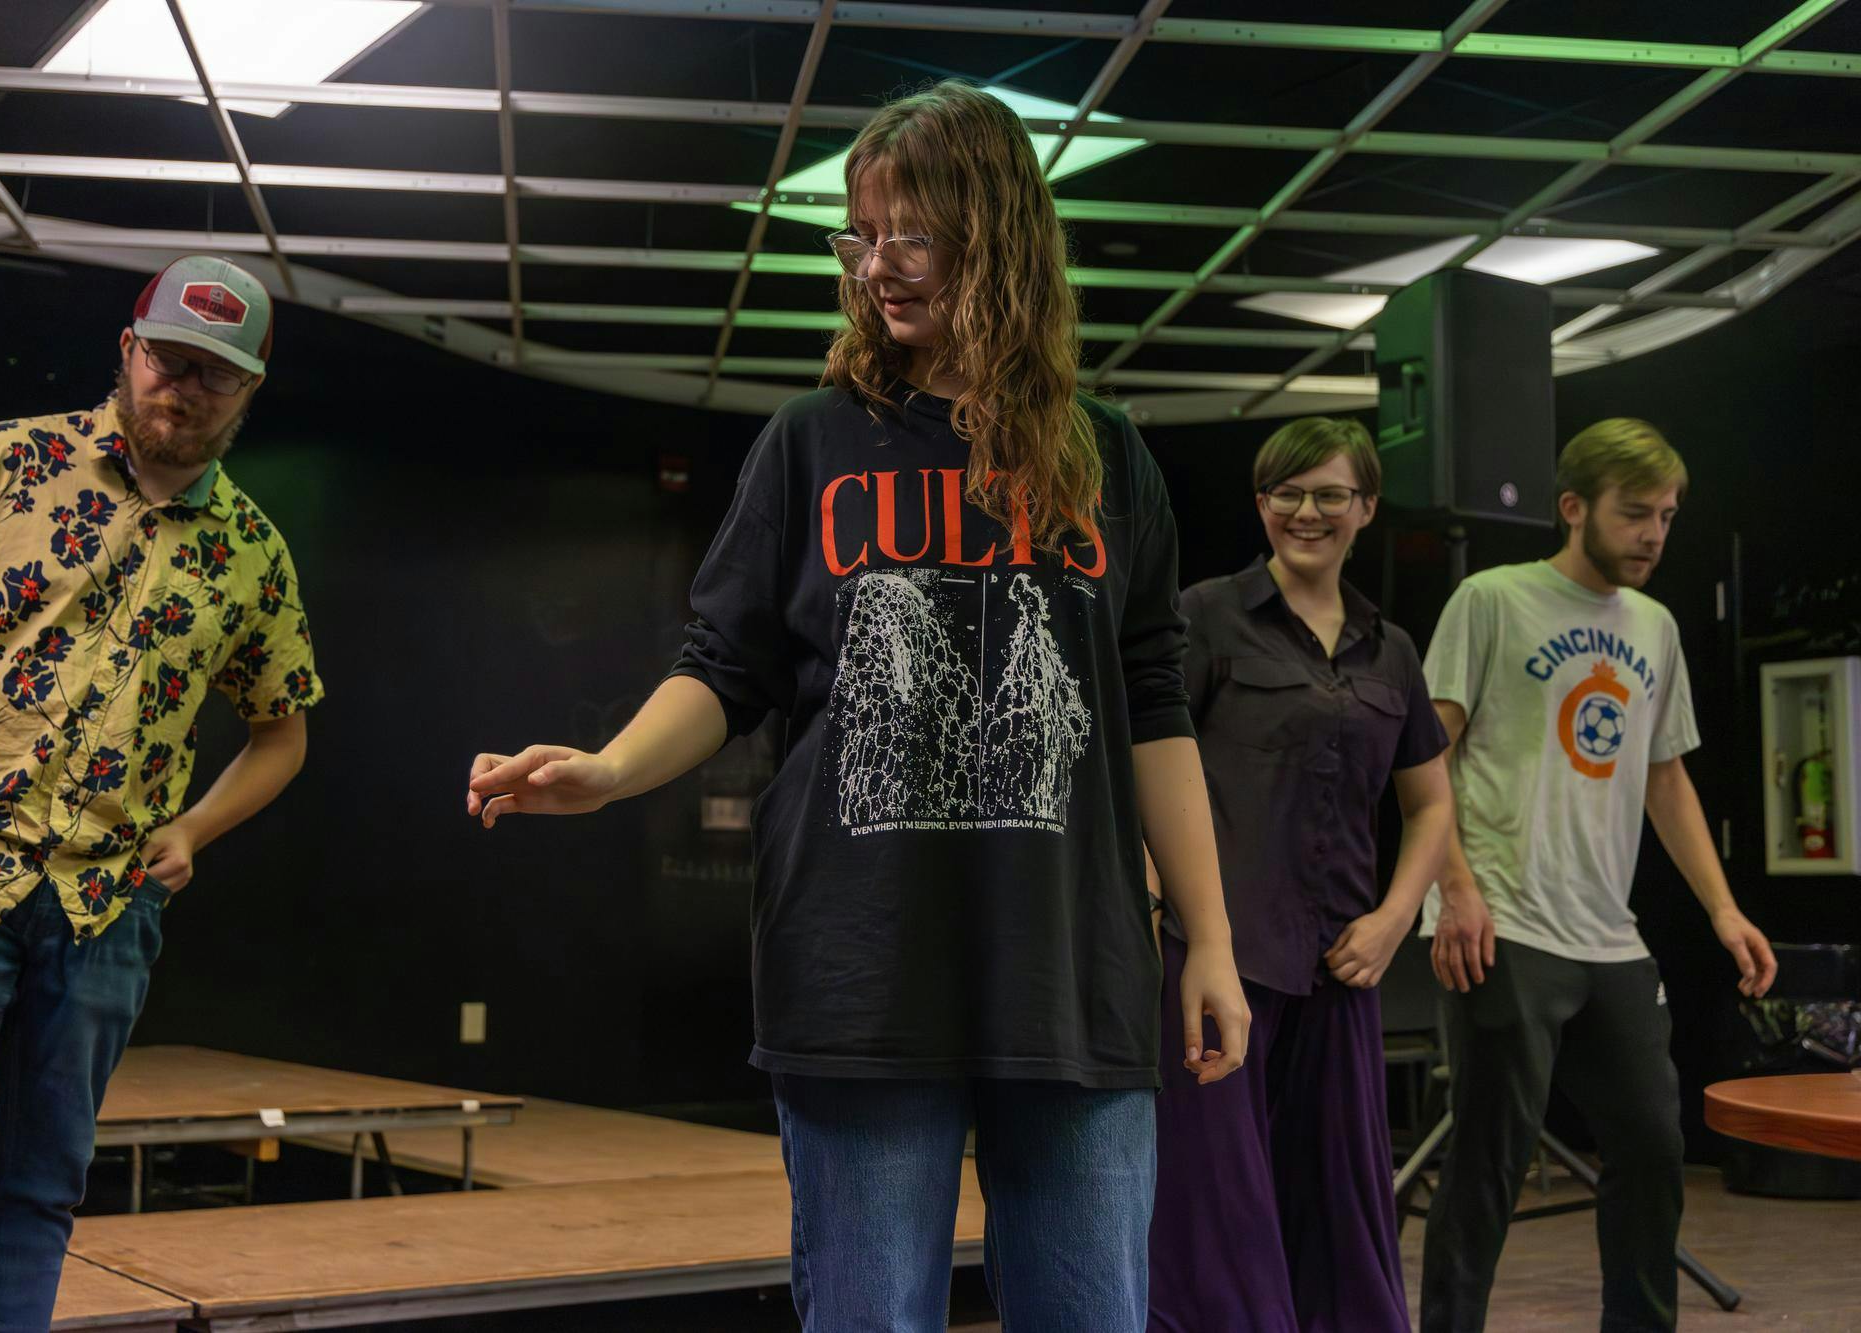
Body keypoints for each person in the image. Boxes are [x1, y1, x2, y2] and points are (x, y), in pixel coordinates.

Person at [467, 81, 1248, 1332]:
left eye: (907, 235)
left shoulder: (1110, 461)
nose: (874, 267)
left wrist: (1207, 937)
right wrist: (611, 769)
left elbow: (1150, 707)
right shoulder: (809, 444)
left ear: (994, 237)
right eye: (858, 236)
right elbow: (725, 668)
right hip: (860, 974)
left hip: (1073, 974)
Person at [0, 255, 322, 1330]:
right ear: (129, 349)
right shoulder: (11, 459)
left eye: (216, 373)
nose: (184, 387)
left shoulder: (254, 552)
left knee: (40, 1179)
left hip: (106, 901)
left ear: (248, 388)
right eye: (169, 358)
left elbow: (282, 730)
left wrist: (196, 828)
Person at [1417, 418, 1777, 1332]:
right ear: (1574, 508)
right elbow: (1424, 761)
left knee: (1655, 1146)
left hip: (1608, 934)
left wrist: (1723, 910)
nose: (1654, 533)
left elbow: (1666, 777)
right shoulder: (1492, 600)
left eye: (1666, 515)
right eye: (1635, 513)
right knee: (1489, 1163)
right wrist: (1454, 889)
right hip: (1503, 921)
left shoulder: (1653, 626)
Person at [1147, 418, 1454, 1333]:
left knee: (1342, 1203)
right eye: (1286, 492)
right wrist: (1160, 902)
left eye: (1329, 493)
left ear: (1365, 508)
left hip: (1339, 967)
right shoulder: (1204, 614)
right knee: (1214, 1205)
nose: (1306, 511)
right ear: (1261, 504)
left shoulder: (1391, 648)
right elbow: (1145, 763)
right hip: (1218, 960)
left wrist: (1398, 918)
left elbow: (1432, 806)